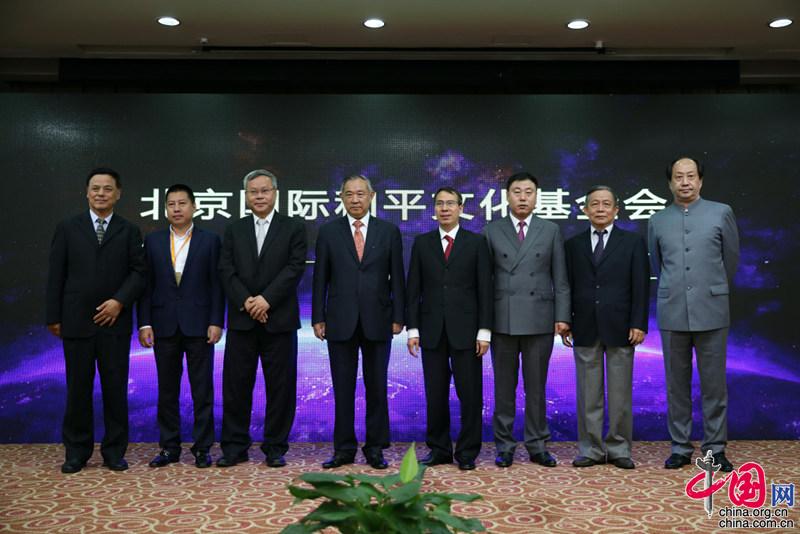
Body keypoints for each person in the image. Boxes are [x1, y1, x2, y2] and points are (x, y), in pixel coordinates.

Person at [46, 167, 146, 473]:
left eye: (107, 188)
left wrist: (119, 302)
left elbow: (139, 272)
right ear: (87, 192)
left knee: (115, 389)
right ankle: (76, 452)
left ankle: (114, 452)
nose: (101, 193)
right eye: (95, 188)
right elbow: (56, 274)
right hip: (76, 321)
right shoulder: (68, 227)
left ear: (118, 194)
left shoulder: (129, 230)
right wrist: (53, 316)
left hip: (114, 323)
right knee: (78, 390)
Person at [648, 157, 739, 472]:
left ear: (700, 180)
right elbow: (658, 264)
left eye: (690, 176)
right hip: (672, 309)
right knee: (676, 385)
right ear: (670, 183)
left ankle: (716, 448)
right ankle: (680, 448)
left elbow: (730, 260)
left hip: (711, 310)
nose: (684, 182)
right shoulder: (658, 220)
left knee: (714, 385)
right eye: (678, 177)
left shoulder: (721, 212)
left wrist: (710, 289)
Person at [312, 174, 405, 469]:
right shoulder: (329, 232)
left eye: (360, 194)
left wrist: (399, 316)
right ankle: (344, 449)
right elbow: (320, 278)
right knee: (343, 388)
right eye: (349, 194)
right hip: (340, 320)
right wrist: (318, 317)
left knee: (377, 387)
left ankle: (375, 448)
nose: (355, 199)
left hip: (379, 319)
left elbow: (397, 277)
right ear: (341, 198)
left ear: (371, 196)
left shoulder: (388, 231)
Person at [217, 169, 307, 468]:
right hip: (243, 320)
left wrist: (266, 299)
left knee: (280, 387)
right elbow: (226, 270)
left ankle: (275, 447)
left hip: (279, 320)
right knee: (236, 386)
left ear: (275, 193)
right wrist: (246, 301)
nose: (259, 196)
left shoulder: (293, 228)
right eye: (253, 191)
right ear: (246, 196)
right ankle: (234, 447)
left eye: (264, 191)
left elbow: (295, 268)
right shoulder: (234, 229)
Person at [483, 172, 570, 468]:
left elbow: (560, 278)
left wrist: (562, 316)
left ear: (536, 196)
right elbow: (484, 281)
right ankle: (504, 445)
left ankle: (537, 444)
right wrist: (484, 322)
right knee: (504, 388)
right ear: (507, 196)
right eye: (517, 191)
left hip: (540, 318)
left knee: (536, 388)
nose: (523, 197)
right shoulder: (492, 230)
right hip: (503, 319)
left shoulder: (550, 230)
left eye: (528, 192)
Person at [562, 185, 649, 470]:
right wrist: (565, 320)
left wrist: (638, 322)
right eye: (595, 204)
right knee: (588, 394)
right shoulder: (573, 245)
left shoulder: (633, 242)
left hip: (622, 326)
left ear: (616, 210)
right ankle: (591, 449)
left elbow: (641, 286)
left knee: (620, 394)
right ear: (585, 210)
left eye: (606, 204)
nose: (600, 209)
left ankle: (619, 448)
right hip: (584, 325)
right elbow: (566, 286)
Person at [137, 184, 224, 469]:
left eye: (182, 203)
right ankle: (169, 447)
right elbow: (146, 286)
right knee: (167, 390)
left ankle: (203, 448)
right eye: (171, 204)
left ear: (194, 207)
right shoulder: (153, 241)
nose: (176, 209)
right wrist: (144, 323)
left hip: (199, 325)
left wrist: (216, 321)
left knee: (202, 390)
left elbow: (217, 285)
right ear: (165, 209)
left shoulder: (210, 240)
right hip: (163, 325)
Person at [406, 187, 492, 471]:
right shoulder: (422, 243)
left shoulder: (476, 243)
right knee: (435, 394)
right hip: (431, 330)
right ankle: (439, 449)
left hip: (467, 332)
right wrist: (413, 329)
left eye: (450, 204)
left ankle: (467, 452)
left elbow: (485, 289)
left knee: (470, 394)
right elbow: (413, 289)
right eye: (440, 204)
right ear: (434, 209)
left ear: (460, 208)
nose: (444, 208)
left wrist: (484, 331)